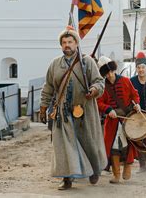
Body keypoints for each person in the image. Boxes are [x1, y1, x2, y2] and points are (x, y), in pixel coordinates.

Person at [40, 26, 107, 190]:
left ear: (76, 43)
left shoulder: (87, 62)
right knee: (63, 145)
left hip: (85, 109)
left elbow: (99, 82)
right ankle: (67, 178)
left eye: (70, 42)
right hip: (63, 111)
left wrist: (94, 90)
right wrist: (43, 106)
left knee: (88, 143)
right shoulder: (55, 64)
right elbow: (48, 87)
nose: (67, 45)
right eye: (64, 42)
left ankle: (94, 169)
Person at [96, 56, 141, 184]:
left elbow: (134, 94)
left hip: (128, 118)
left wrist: (137, 104)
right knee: (113, 147)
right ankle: (116, 174)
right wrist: (108, 110)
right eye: (106, 73)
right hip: (112, 121)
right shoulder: (102, 87)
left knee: (128, 144)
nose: (110, 75)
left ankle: (127, 167)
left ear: (114, 70)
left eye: (111, 71)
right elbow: (99, 102)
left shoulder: (126, 81)